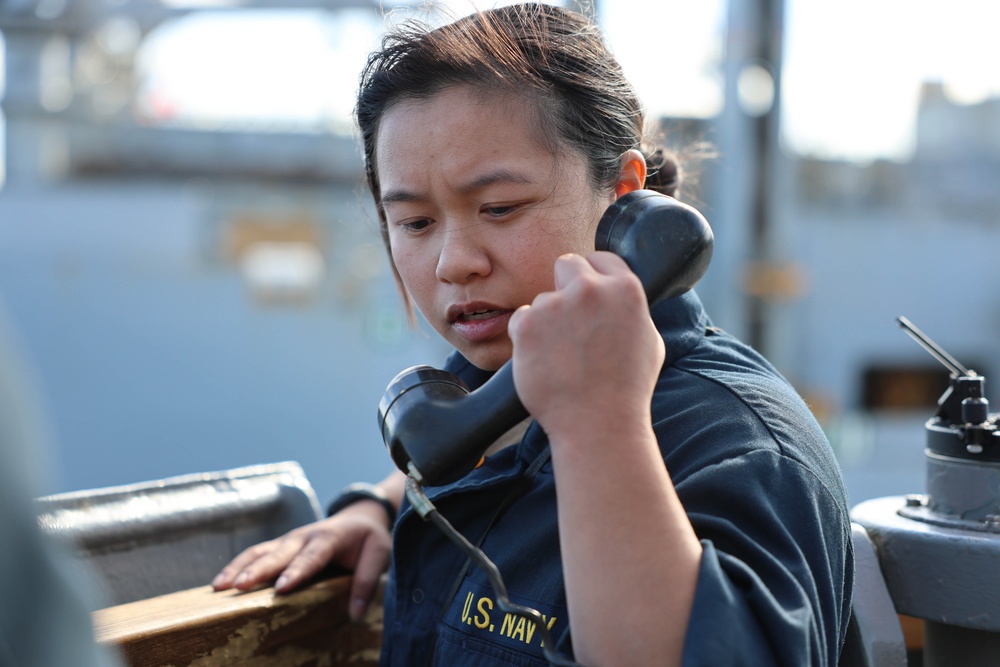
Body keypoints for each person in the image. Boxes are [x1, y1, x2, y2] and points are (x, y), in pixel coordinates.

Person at [212, 4, 854, 665]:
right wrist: (375, 506)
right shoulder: (491, 395)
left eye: (499, 208)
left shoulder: (741, 447)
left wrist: (598, 421)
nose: (453, 261)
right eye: (414, 223)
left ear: (622, 192)